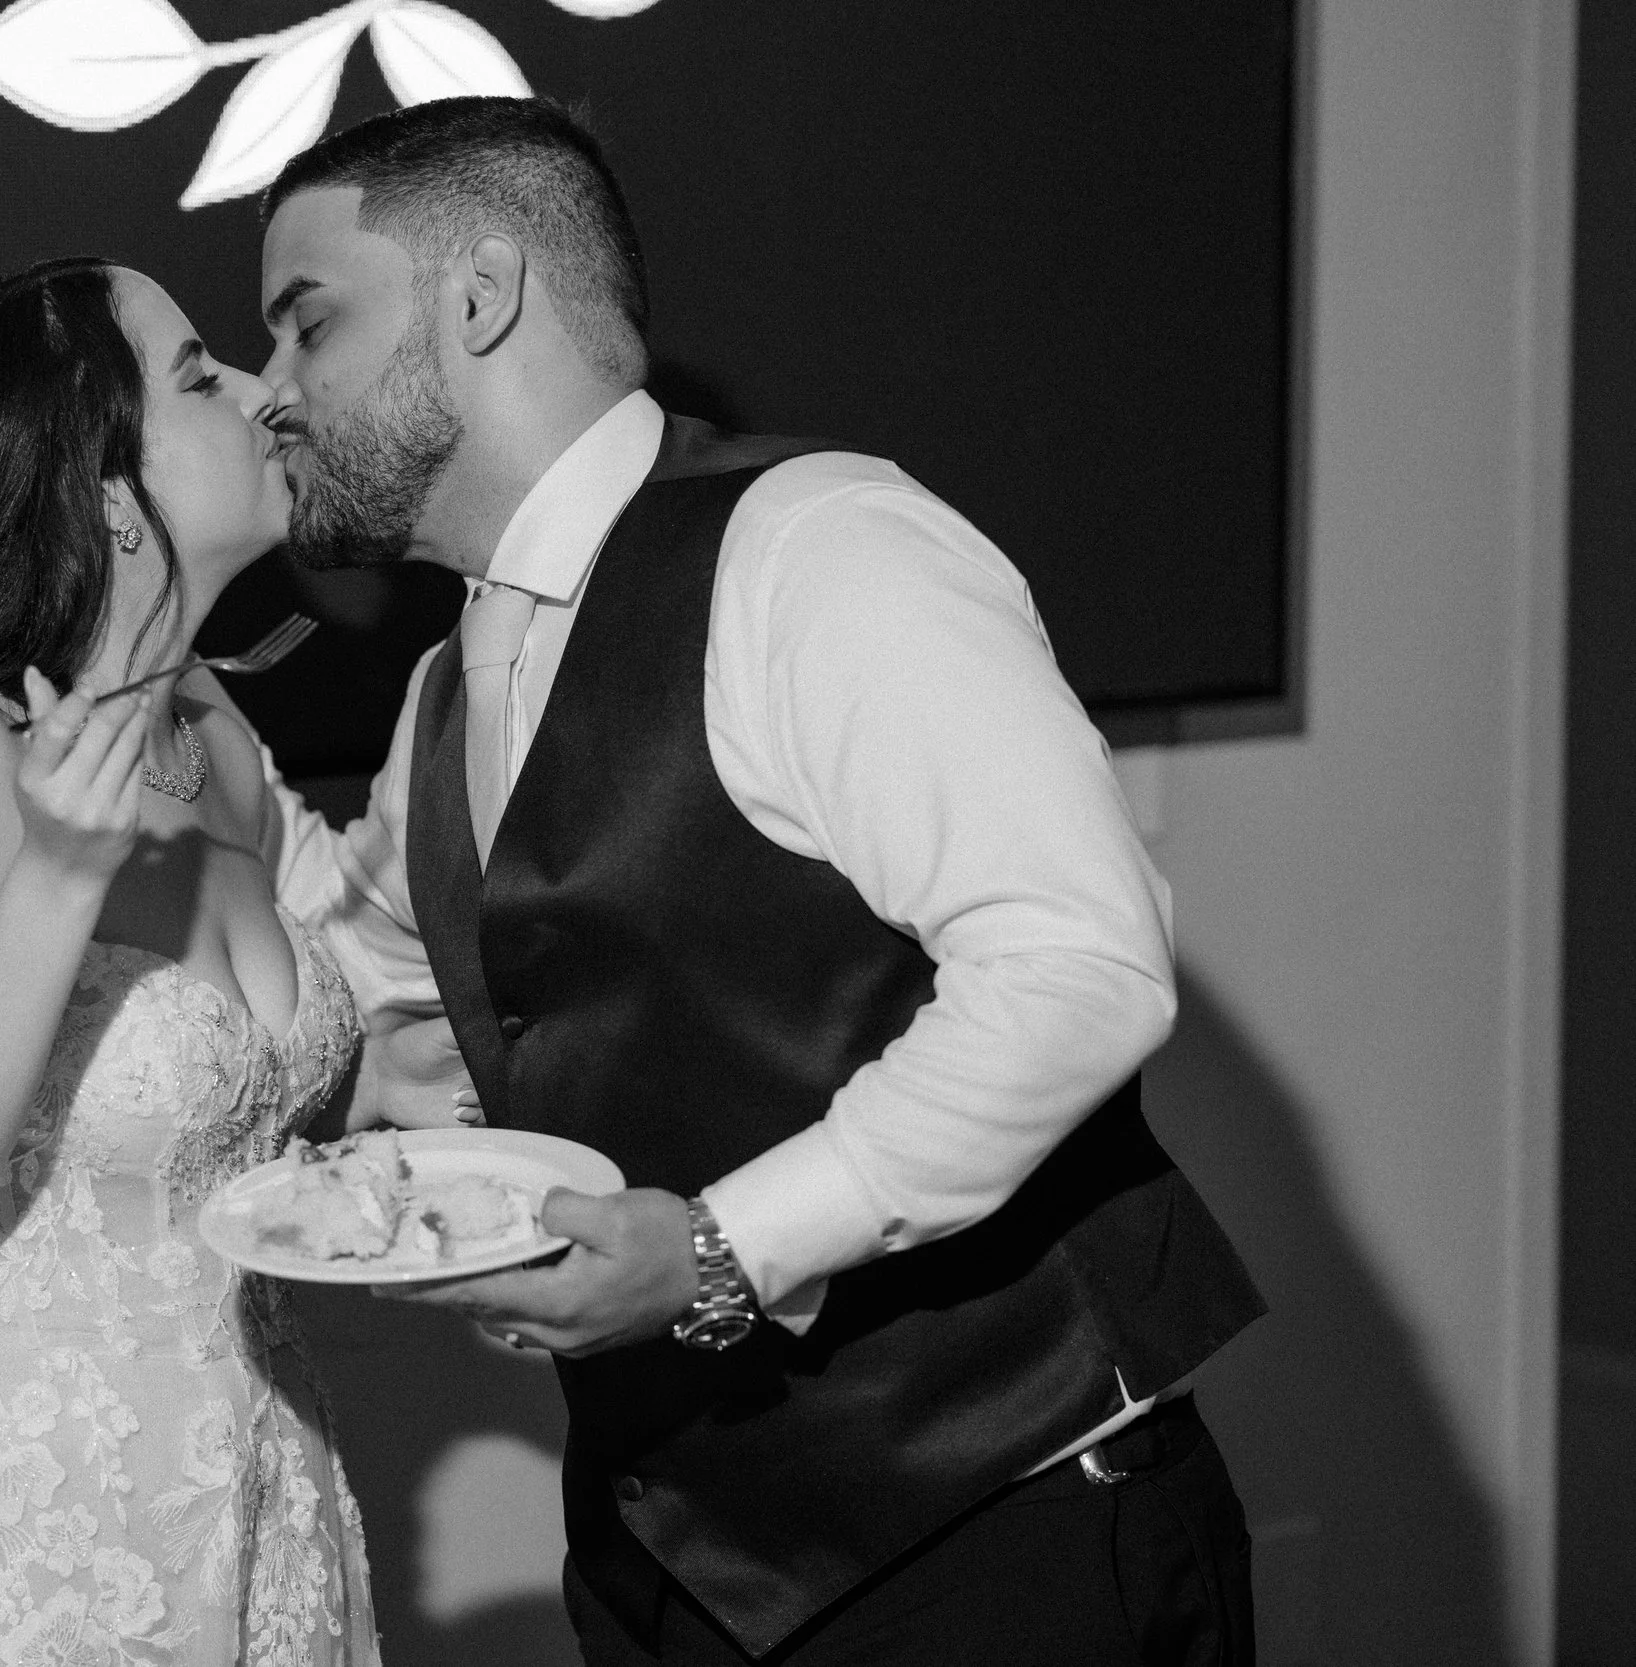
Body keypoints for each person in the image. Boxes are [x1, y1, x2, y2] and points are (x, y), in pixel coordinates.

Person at [259, 99, 1267, 1665]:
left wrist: (720, 1245)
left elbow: (1079, 967)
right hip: (669, 1564)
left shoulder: (821, 547)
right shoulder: (446, 692)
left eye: (307, 321)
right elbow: (391, 1013)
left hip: (998, 1543)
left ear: (480, 293)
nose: (272, 388)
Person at [0, 257, 443, 1665]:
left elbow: (202, 1118)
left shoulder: (214, 739)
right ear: (105, 492)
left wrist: (401, 1110)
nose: (261, 391)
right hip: (0, 1534)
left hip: (244, 1501)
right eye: (199, 377)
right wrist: (56, 878)